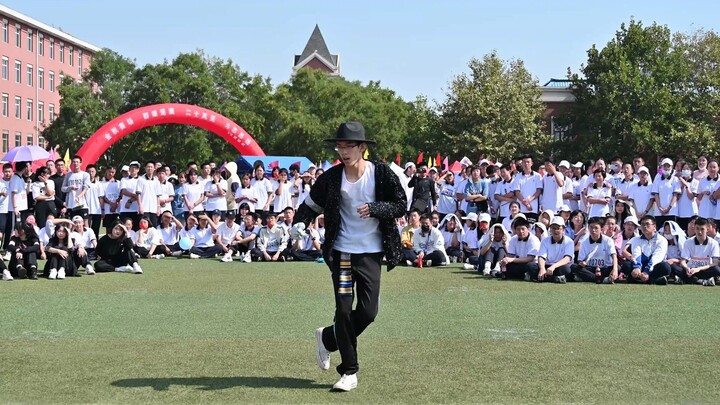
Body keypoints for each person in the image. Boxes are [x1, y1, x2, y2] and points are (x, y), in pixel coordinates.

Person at [292, 121, 406, 392]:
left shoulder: (381, 174)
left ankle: (328, 338)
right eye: (339, 146)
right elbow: (310, 205)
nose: (343, 151)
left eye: (348, 146)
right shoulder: (331, 178)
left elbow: (401, 204)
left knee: (367, 312)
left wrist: (376, 208)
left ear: (362, 147)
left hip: (371, 254)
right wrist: (300, 222)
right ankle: (349, 371)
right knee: (343, 310)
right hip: (342, 252)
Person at [620, 215, 672, 285]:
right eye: (643, 224)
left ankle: (642, 279)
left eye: (647, 224)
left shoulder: (662, 240)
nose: (645, 226)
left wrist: (647, 271)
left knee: (665, 267)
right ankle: (652, 280)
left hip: (653, 266)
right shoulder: (636, 239)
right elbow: (636, 254)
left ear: (654, 226)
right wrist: (637, 267)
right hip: (640, 266)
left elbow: (657, 257)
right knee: (626, 265)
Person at [674, 217, 720, 286]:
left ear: (707, 229)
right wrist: (686, 268)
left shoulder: (713, 243)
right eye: (697, 228)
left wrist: (699, 268)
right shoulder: (688, 242)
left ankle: (688, 280)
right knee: (673, 267)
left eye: (702, 229)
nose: (699, 232)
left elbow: (715, 263)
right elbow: (683, 261)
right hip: (690, 270)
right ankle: (701, 281)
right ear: (694, 228)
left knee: (716, 270)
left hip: (705, 269)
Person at [572, 216, 618, 284]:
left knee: (618, 267)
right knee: (574, 267)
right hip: (590, 269)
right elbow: (580, 260)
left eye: (596, 228)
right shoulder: (584, 242)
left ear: (601, 229)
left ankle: (589, 278)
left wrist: (615, 270)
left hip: (604, 268)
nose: (593, 230)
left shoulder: (608, 240)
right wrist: (582, 263)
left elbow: (614, 255)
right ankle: (602, 280)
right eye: (591, 227)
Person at [536, 217, 574, 283]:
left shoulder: (569, 241)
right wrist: (542, 268)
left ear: (563, 230)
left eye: (558, 228)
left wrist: (553, 266)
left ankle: (543, 278)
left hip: (559, 266)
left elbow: (567, 258)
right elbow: (541, 257)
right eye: (553, 228)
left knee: (566, 269)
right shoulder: (545, 241)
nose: (555, 230)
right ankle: (556, 278)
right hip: (547, 266)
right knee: (531, 266)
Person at [651, 158, 681, 229]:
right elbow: (656, 194)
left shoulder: (675, 179)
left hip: (672, 211)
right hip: (659, 212)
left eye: (668, 166)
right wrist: (660, 208)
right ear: (661, 167)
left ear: (672, 167)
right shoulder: (657, 178)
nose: (667, 168)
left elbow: (675, 195)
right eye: (665, 166)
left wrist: (669, 208)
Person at [61, 155, 92, 222]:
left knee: (84, 222)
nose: (75, 164)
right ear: (72, 163)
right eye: (74, 162)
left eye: (77, 162)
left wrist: (80, 195)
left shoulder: (85, 174)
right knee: (71, 223)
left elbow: (86, 187)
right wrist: (70, 188)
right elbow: (63, 188)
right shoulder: (68, 175)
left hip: (82, 203)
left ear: (80, 163)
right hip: (71, 204)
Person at [514, 154, 542, 221]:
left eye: (528, 162)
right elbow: (517, 192)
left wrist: (529, 201)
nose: (526, 164)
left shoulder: (537, 176)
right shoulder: (517, 177)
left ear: (532, 163)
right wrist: (525, 203)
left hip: (533, 208)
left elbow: (539, 191)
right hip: (521, 208)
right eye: (524, 162)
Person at [119, 161, 141, 229]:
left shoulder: (141, 180)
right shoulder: (124, 179)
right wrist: (135, 196)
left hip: (137, 209)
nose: (133, 169)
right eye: (132, 167)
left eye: (135, 168)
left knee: (136, 229)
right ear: (129, 169)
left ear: (138, 170)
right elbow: (124, 191)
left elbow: (142, 194)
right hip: (125, 210)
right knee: (124, 228)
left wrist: (130, 200)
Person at [101, 166, 121, 235]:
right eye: (109, 171)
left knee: (117, 228)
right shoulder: (101, 183)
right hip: (107, 210)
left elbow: (120, 195)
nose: (111, 173)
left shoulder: (118, 183)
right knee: (108, 229)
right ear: (106, 171)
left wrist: (115, 204)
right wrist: (111, 204)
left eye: (113, 172)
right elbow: (102, 196)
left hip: (117, 210)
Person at [85, 164, 104, 237]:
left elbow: (101, 198)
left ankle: (95, 246)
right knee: (86, 230)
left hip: (97, 210)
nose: (91, 173)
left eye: (92, 171)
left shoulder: (99, 184)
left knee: (95, 230)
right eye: (89, 171)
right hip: (86, 209)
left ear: (95, 172)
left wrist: (102, 210)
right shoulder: (83, 183)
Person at [0, 163, 10, 257]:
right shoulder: (0, 182)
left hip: (11, 210)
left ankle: (7, 248)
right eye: (6, 171)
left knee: (9, 230)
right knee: (1, 230)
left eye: (9, 171)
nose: (7, 173)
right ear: (3, 172)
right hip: (2, 210)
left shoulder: (14, 181)